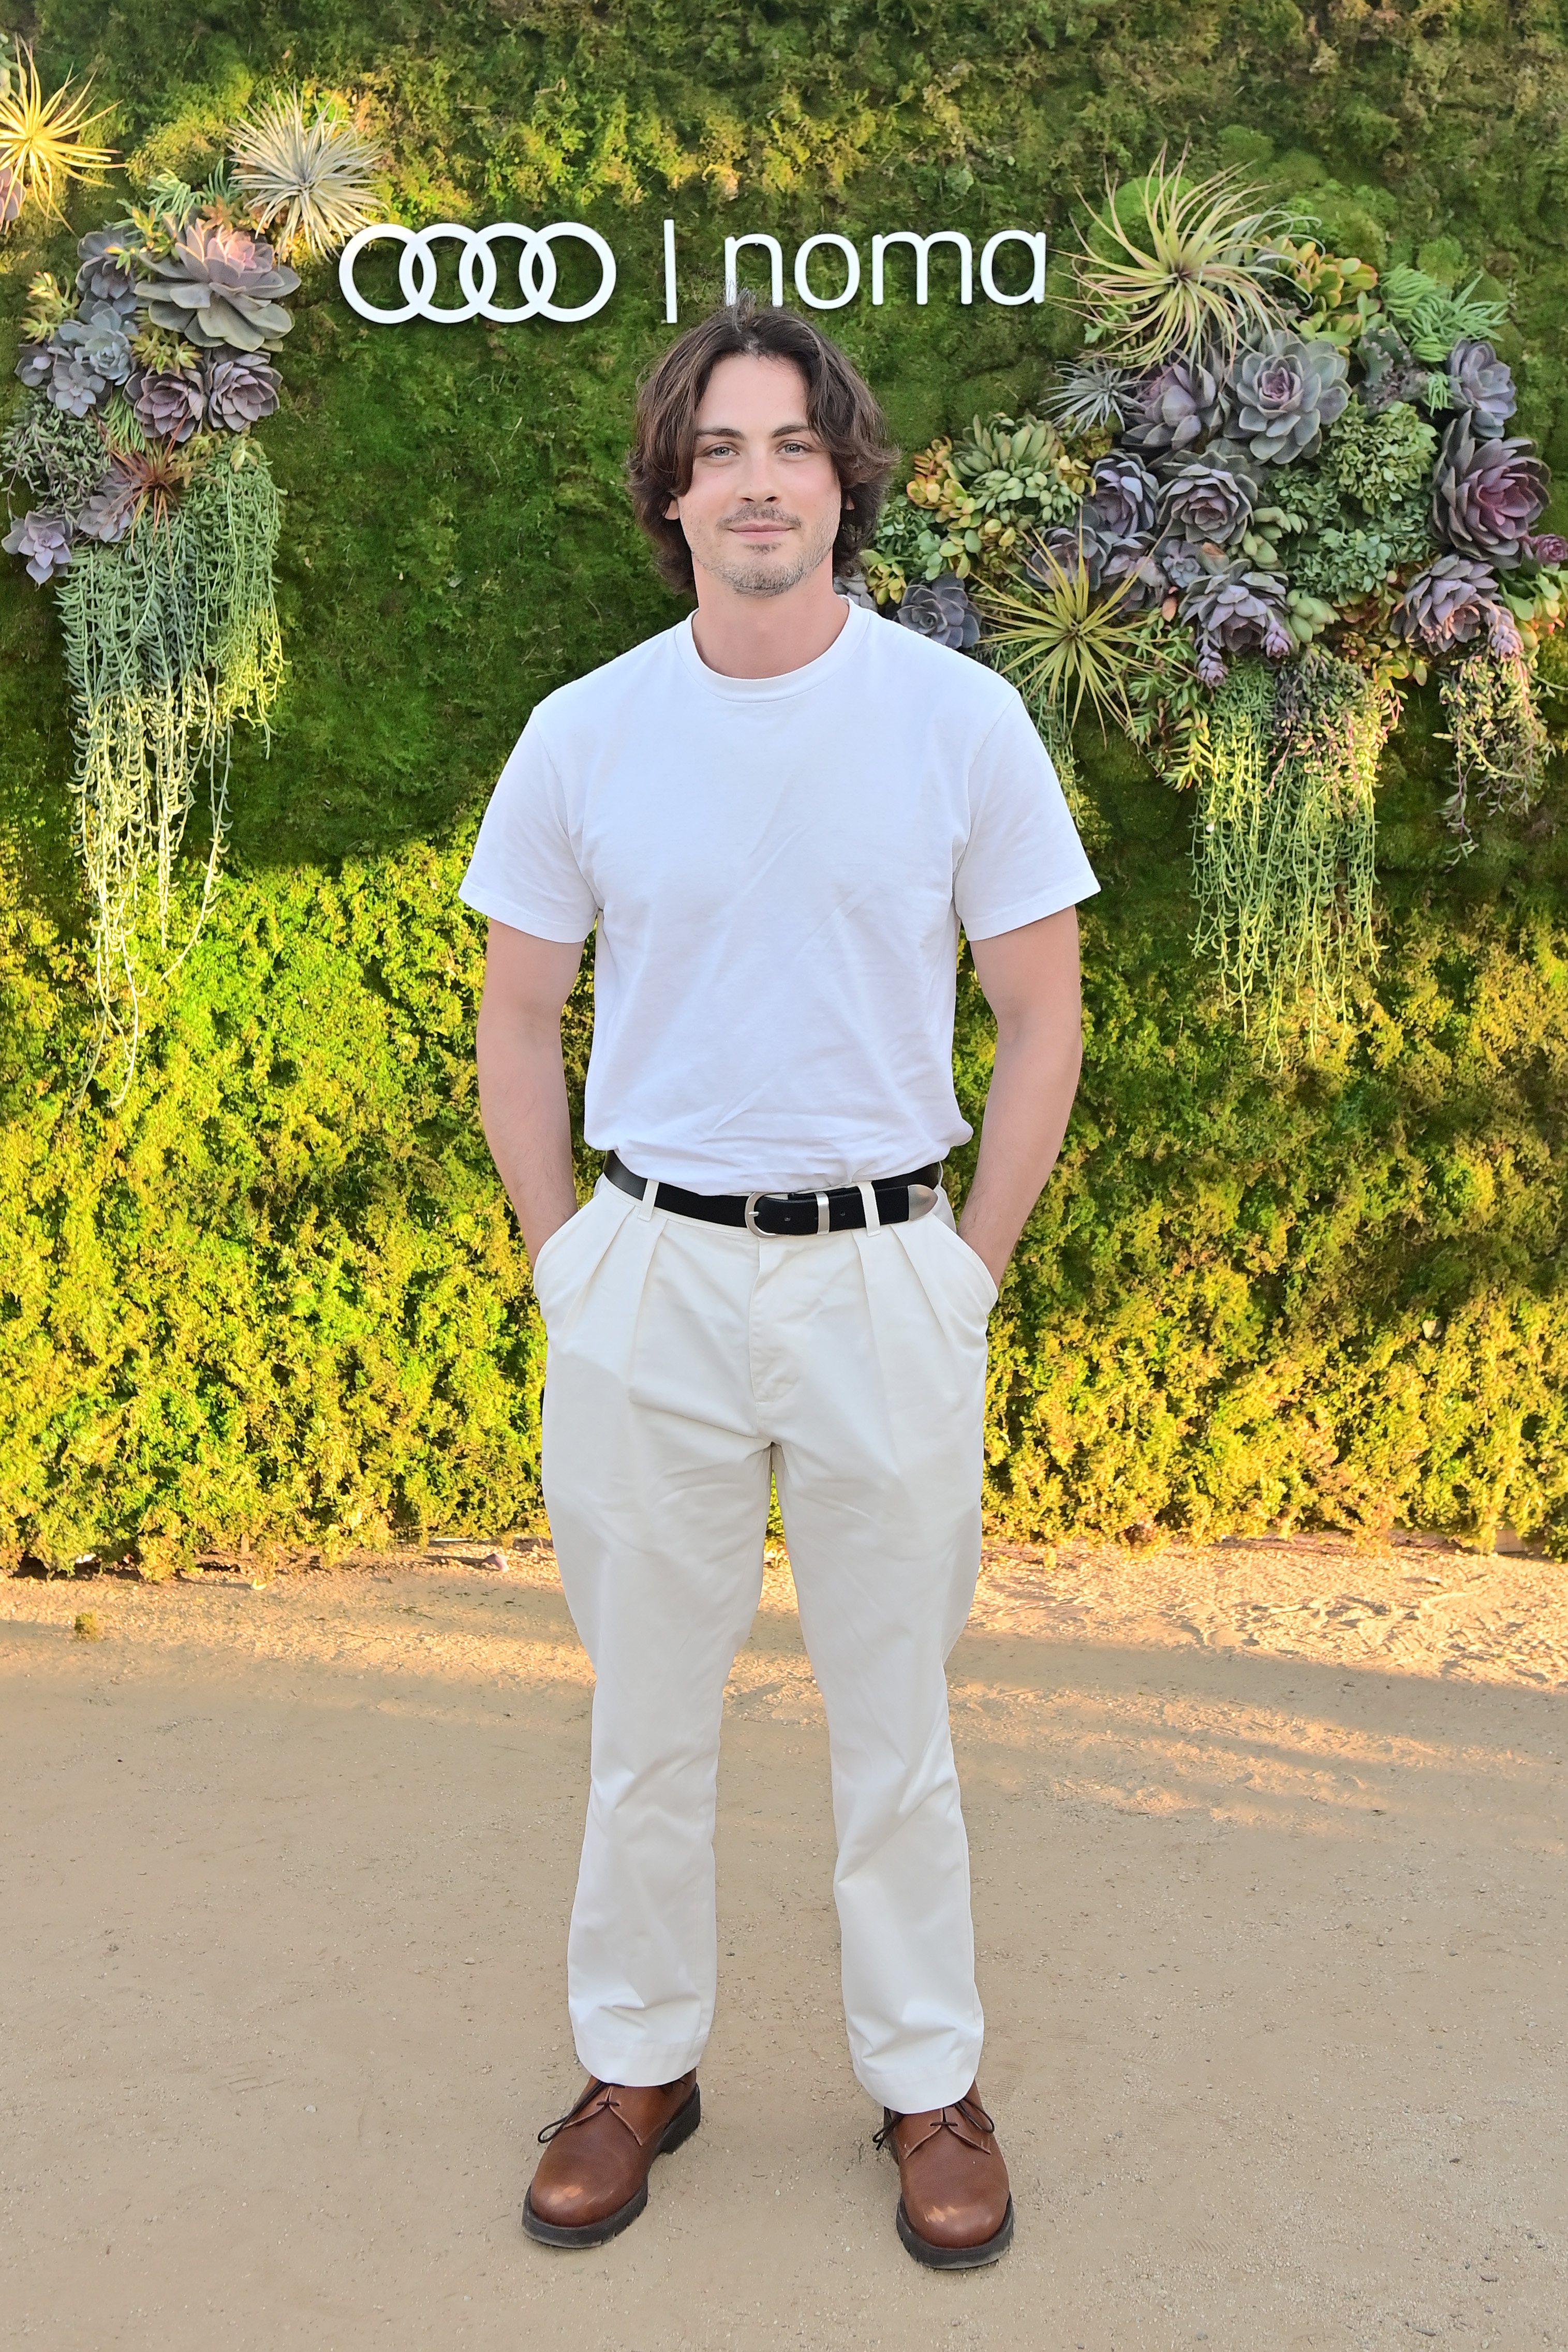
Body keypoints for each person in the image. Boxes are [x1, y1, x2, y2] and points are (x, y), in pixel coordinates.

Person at [461, 294, 1096, 2268]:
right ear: (673, 492)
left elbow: (1042, 1014)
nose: (758, 482)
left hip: (882, 1277)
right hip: (650, 1275)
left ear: (844, 479)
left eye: (792, 447)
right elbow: (517, 1018)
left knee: (891, 1718)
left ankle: (928, 2084)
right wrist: (571, 1259)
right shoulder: (587, 729)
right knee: (649, 1715)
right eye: (720, 449)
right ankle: (638, 2064)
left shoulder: (958, 719)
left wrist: (962, 1275)